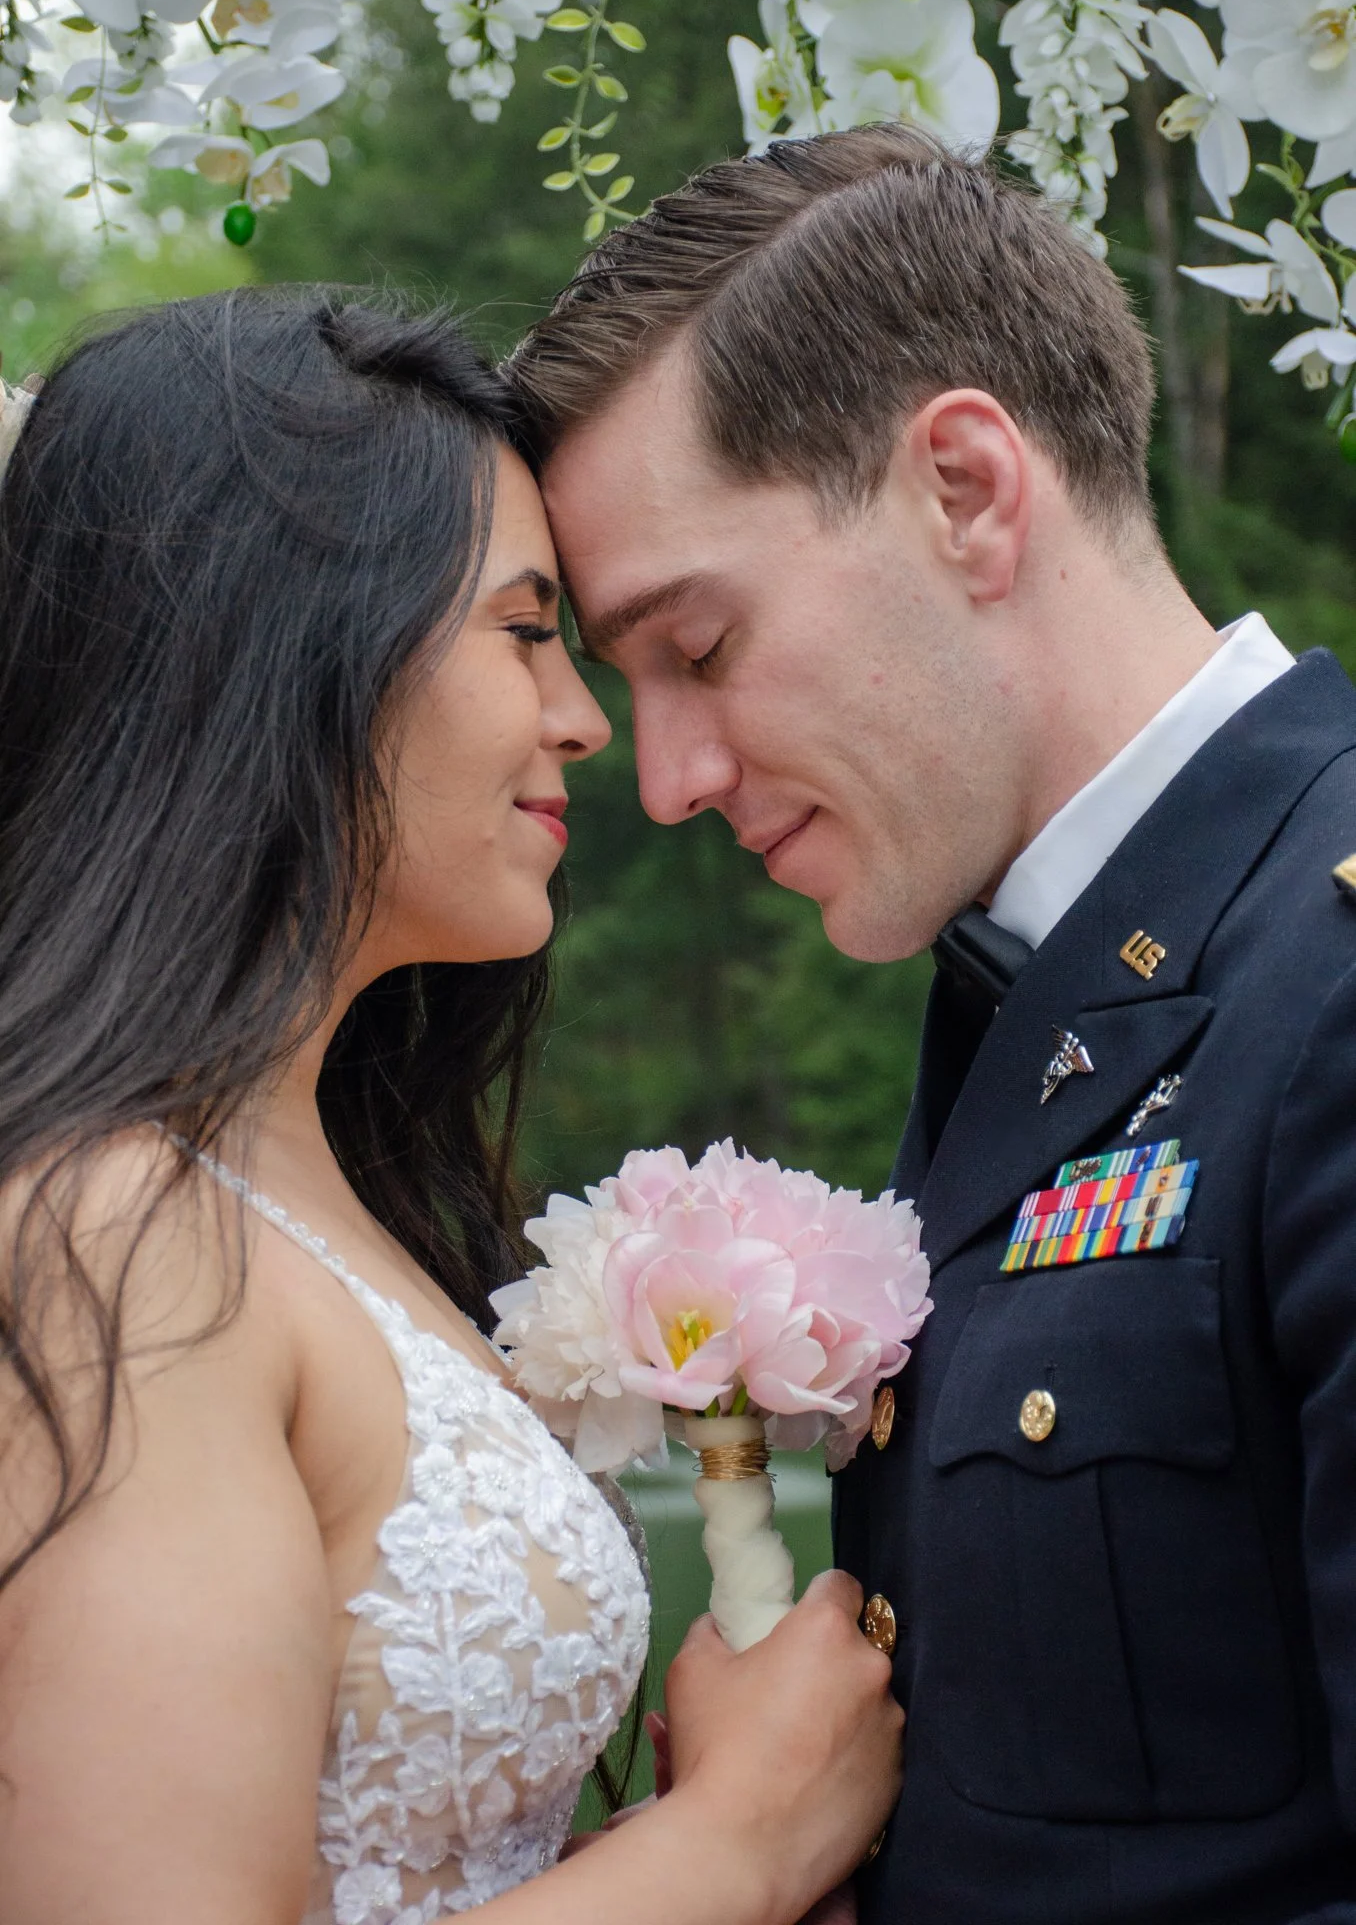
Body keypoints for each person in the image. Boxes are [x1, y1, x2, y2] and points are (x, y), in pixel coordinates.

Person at [508, 123, 1356, 1923]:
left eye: (700, 649)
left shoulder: (1327, 982)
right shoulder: (1049, 997)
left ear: (966, 488)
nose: (663, 781)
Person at [0, 289, 903, 1925]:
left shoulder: (316, 1196)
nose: (582, 717)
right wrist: (742, 1842)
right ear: (286, 643)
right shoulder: (112, 1243)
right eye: (523, 629)